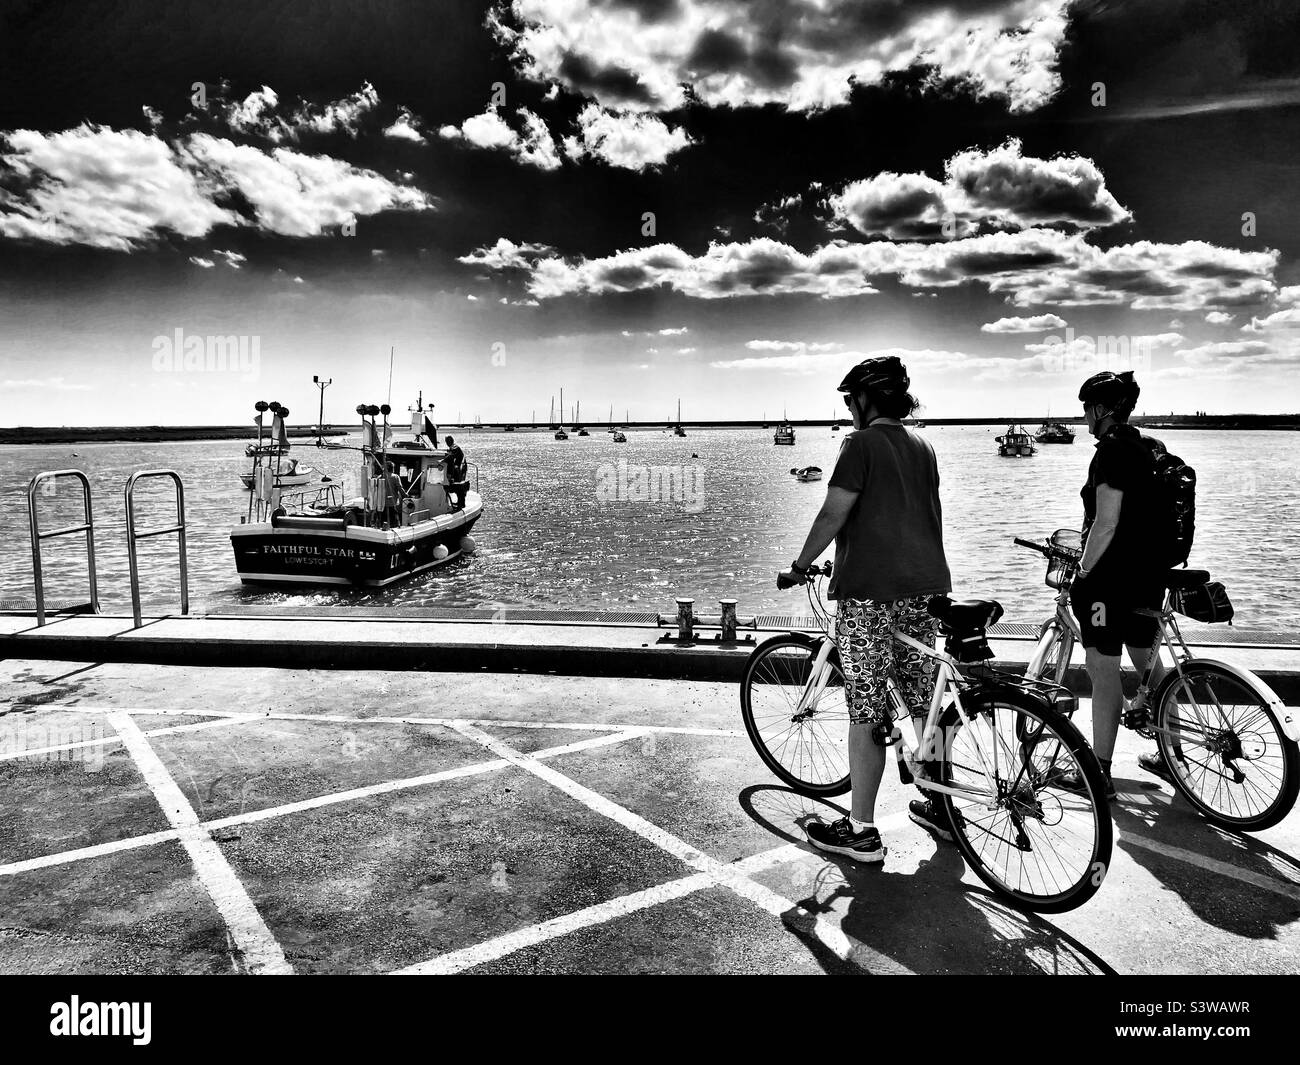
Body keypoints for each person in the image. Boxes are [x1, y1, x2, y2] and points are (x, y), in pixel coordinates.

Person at [777, 356, 953, 863]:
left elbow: (835, 510)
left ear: (865, 399)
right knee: (926, 703)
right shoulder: (924, 446)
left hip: (871, 593)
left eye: (850, 399)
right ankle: (942, 807)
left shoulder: (860, 444)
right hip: (924, 587)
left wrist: (799, 564)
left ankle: (862, 830)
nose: (848, 408)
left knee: (868, 709)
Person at [1064, 370, 1167, 800]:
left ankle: (1099, 773)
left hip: (1110, 581)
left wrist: (1083, 572)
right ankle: (1172, 755)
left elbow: (1105, 524)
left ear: (1102, 410)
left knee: (1102, 670)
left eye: (1087, 407)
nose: (1084, 415)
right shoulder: (1148, 446)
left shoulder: (1110, 452)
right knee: (1147, 665)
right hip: (1150, 576)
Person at [443, 435, 468, 510]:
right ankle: (459, 502)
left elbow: (451, 456)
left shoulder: (455, 447)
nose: (447, 442)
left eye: (448, 441)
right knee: (457, 486)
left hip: (459, 469)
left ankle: (461, 504)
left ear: (452, 440)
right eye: (447, 441)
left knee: (458, 486)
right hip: (457, 468)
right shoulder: (452, 447)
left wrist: (442, 460)